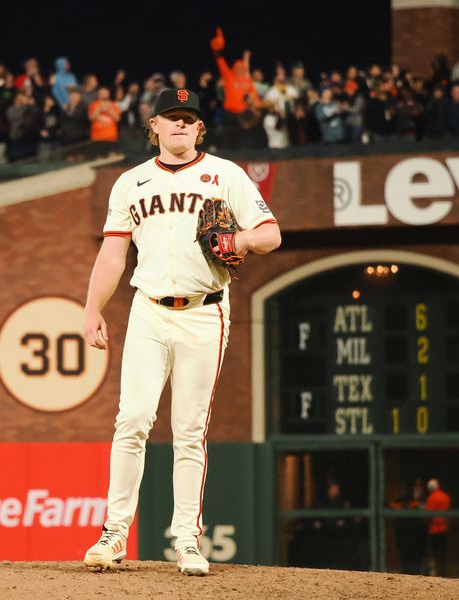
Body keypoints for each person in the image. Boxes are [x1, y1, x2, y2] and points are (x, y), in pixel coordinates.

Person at [81, 88, 281, 576]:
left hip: (204, 312)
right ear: (153, 126)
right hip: (148, 310)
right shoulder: (131, 182)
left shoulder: (226, 175)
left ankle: (187, 540)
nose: (179, 126)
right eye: (171, 118)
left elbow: (270, 234)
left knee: (189, 432)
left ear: (199, 129)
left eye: (188, 119)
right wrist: (92, 308)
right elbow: (113, 254)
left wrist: (242, 239)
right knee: (132, 420)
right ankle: (113, 533)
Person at [425, 478, 451, 576]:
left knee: (435, 553)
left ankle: (435, 572)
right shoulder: (445, 496)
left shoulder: (431, 498)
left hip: (434, 529)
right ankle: (444, 572)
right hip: (444, 528)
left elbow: (429, 513)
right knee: (443, 552)